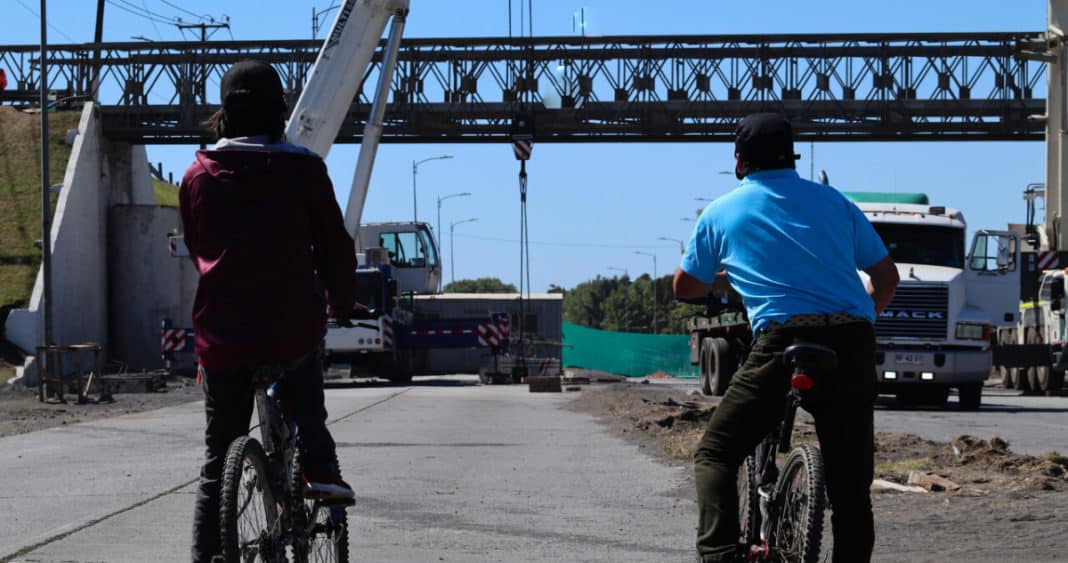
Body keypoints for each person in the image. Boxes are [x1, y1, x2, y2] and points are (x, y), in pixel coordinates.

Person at [673, 113, 900, 563]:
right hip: (851, 342)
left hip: (782, 341)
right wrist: (860, 319)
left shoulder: (722, 211)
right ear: (792, 158)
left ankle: (720, 555)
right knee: (851, 487)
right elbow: (886, 277)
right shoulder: (835, 203)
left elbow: (685, 287)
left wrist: (723, 281)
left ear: (739, 163)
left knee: (716, 454)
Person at [179, 59, 357, 563]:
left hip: (223, 335)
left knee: (217, 464)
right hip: (288, 327)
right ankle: (320, 470)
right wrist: (341, 300)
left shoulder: (197, 176)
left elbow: (197, 249)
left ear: (224, 117)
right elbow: (335, 249)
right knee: (306, 394)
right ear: (279, 113)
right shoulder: (303, 168)